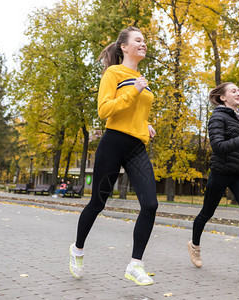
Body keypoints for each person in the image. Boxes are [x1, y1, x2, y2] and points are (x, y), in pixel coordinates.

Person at [69, 26, 158, 286]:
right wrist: (134, 91)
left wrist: (146, 124)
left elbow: (134, 111)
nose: (143, 44)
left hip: (136, 147)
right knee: (97, 203)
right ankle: (77, 250)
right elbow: (105, 109)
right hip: (113, 144)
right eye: (138, 40)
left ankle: (135, 264)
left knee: (150, 204)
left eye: (144, 40)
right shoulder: (113, 73)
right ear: (124, 47)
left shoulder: (140, 77)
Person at [187, 82, 239, 282]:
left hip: (238, 173)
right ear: (223, 97)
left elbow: (234, 147)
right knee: (207, 213)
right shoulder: (217, 117)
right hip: (221, 173)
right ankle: (194, 246)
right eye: (233, 91)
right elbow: (218, 146)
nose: (238, 93)